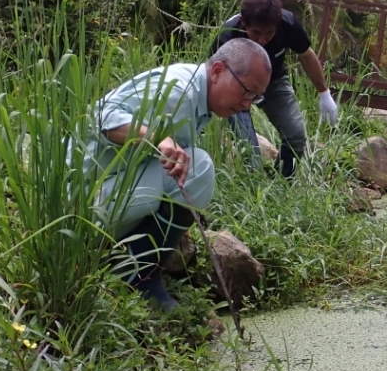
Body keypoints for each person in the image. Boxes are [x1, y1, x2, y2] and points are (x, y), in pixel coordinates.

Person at [84, 38, 272, 310]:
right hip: (83, 201)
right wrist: (156, 137)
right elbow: (99, 116)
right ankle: (136, 274)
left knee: (193, 167)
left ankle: (133, 263)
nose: (247, 105)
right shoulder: (177, 92)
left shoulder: (198, 95)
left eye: (255, 97)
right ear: (218, 71)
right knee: (198, 169)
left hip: (111, 189)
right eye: (247, 91)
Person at [210, 0, 339, 177]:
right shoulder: (228, 34)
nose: (262, 40)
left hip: (274, 82)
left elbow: (306, 55)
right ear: (244, 22)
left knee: (296, 137)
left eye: (269, 33)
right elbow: (211, 76)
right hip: (236, 89)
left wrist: (324, 92)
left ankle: (282, 184)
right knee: (249, 151)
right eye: (256, 33)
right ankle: (252, 192)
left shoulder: (288, 23)